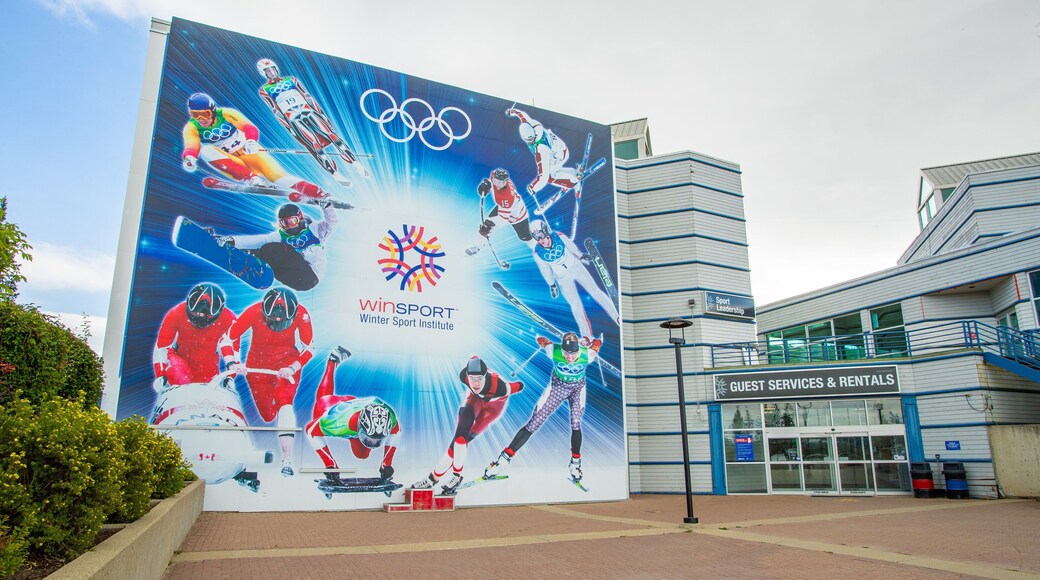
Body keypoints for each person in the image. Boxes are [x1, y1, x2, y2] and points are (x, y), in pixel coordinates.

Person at [484, 333, 601, 483]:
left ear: (579, 349)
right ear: (562, 349)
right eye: (566, 353)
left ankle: (575, 464)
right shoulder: (554, 350)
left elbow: (596, 345)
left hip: (577, 389)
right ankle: (502, 461)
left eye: (573, 353)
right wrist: (541, 340)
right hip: (558, 388)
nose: (569, 357)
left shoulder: (588, 354)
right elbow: (544, 342)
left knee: (576, 423)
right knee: (534, 422)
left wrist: (596, 341)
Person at [224, 288, 314, 476]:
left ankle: (287, 458)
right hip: (258, 365)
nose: (277, 325)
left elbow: (310, 347)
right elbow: (228, 338)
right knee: (267, 415)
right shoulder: (254, 311)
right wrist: (233, 362)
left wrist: (293, 367)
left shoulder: (302, 314)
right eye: (272, 321)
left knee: (284, 400)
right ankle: (274, 415)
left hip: (287, 363)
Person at [181, 92, 330, 202]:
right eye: (195, 115)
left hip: (250, 153)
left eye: (205, 114)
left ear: (212, 110)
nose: (201, 119)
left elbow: (249, 127)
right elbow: (191, 146)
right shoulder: (191, 127)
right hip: (232, 162)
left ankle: (317, 192)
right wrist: (189, 158)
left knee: (277, 177)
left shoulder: (226, 114)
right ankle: (250, 178)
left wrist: (251, 141)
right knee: (206, 151)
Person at [411, 356, 524, 495]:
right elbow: (473, 360)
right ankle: (450, 477)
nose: (475, 383)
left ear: (485, 376)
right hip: (475, 401)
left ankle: (433, 478)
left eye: (479, 379)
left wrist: (520, 385)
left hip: (493, 408)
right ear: (467, 376)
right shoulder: (463, 376)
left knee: (462, 442)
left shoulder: (501, 387)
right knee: (459, 439)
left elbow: (517, 386)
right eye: (472, 379)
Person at [305, 346, 401, 485]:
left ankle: (333, 361)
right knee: (322, 403)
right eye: (370, 438)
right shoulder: (336, 423)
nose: (373, 443)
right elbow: (310, 431)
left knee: (361, 455)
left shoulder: (390, 418)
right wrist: (330, 465)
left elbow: (396, 433)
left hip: (357, 404)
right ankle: (332, 362)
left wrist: (386, 464)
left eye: (376, 439)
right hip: (331, 407)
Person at [256, 58, 366, 178]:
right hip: (292, 117)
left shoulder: (291, 79)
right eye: (268, 71)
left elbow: (307, 96)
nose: (272, 73)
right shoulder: (264, 90)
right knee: (313, 143)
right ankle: (334, 173)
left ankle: (356, 163)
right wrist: (289, 127)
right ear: (264, 73)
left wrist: (320, 113)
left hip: (307, 110)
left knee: (332, 135)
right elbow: (275, 110)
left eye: (272, 69)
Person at [217, 201, 337, 291]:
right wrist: (232, 241)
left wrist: (326, 206)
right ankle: (245, 264)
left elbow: (332, 223)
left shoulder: (315, 230)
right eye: (284, 223)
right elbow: (257, 241)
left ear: (299, 218)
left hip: (309, 276)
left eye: (291, 222)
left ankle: (245, 258)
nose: (288, 226)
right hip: (291, 275)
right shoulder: (280, 236)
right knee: (267, 247)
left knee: (278, 250)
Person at [529, 219, 620, 338]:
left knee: (595, 291)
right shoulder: (538, 252)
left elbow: (571, 246)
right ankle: (586, 337)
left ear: (546, 231)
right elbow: (545, 270)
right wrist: (552, 284)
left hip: (575, 267)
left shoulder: (558, 236)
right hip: (562, 278)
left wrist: (581, 256)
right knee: (575, 305)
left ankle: (617, 317)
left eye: (541, 236)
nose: (541, 240)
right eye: (536, 238)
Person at [152, 282, 238, 390]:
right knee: (181, 381)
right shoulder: (176, 313)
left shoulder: (229, 319)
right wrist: (161, 374)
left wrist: (230, 376)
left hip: (207, 367)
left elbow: (232, 347)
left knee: (207, 395)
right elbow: (162, 346)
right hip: (179, 359)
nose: (199, 321)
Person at [506, 108, 581, 195]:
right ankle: (574, 173)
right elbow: (521, 114)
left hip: (558, 155)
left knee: (549, 176)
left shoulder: (541, 148)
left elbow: (543, 176)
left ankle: (574, 183)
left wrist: (533, 188)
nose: (532, 141)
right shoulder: (528, 123)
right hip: (559, 148)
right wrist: (511, 111)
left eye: (532, 138)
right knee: (553, 169)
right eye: (529, 139)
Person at [473, 168, 535, 248]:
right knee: (486, 226)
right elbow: (491, 180)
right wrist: (487, 185)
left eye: (500, 183)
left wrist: (491, 224)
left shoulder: (507, 197)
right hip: (503, 206)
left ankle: (539, 249)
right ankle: (477, 246)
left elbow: (503, 219)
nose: (497, 185)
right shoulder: (496, 177)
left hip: (518, 216)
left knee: (526, 238)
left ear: (506, 182)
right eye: (496, 181)